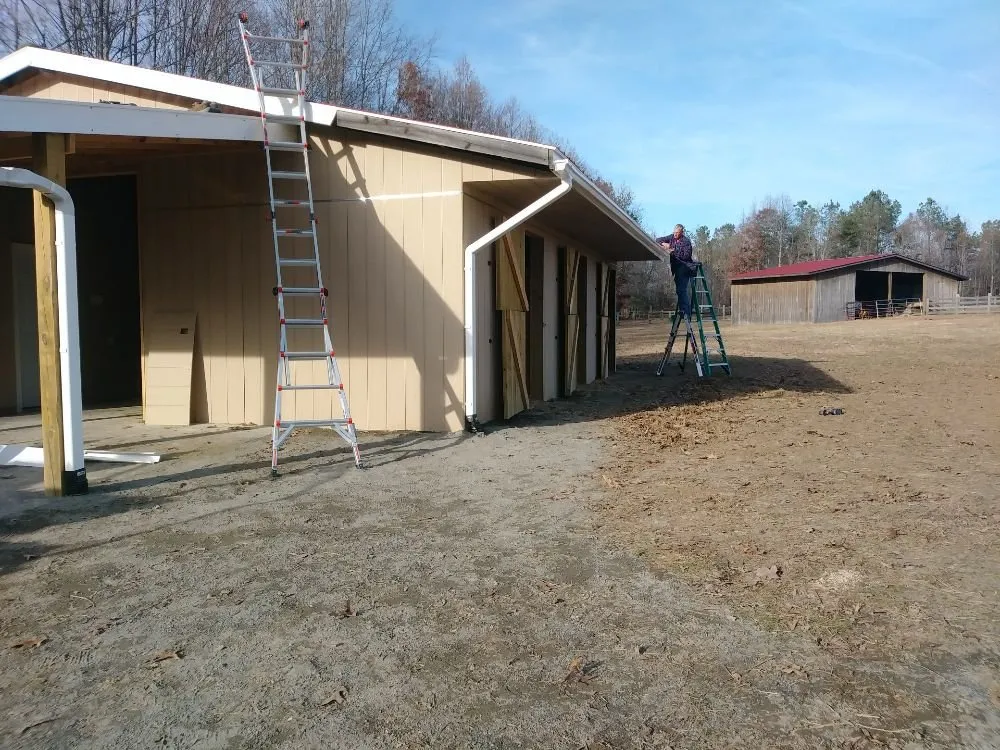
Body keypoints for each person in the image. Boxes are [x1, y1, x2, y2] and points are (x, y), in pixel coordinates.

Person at [656, 224, 696, 318]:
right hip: (676, 269)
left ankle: (686, 313)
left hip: (685, 267)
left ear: (681, 232)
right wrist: (664, 244)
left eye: (677, 233)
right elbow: (658, 239)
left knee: (681, 290)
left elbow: (686, 256)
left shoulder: (686, 242)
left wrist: (673, 250)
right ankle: (683, 311)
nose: (675, 234)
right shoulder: (671, 237)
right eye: (674, 232)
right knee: (679, 291)